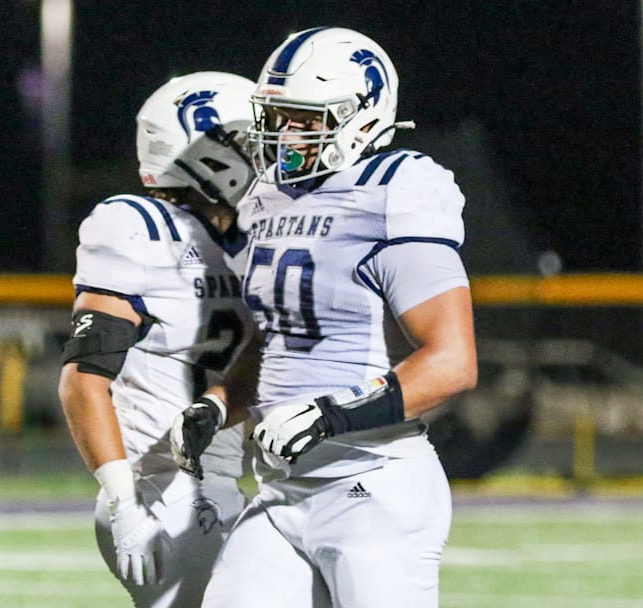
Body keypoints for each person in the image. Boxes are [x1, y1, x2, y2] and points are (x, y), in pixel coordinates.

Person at [172, 26, 478, 608]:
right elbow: (280, 334)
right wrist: (220, 403)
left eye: (302, 118)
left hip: (373, 486)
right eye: (277, 115)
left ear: (360, 117)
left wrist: (330, 414)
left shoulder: (394, 188)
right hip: (281, 490)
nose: (281, 132)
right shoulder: (266, 197)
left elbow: (453, 362)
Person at [57, 71, 260, 608]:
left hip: (220, 484)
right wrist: (123, 501)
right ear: (202, 153)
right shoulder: (138, 227)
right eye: (247, 143)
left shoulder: (250, 237)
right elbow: (83, 380)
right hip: (160, 490)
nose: (261, 156)